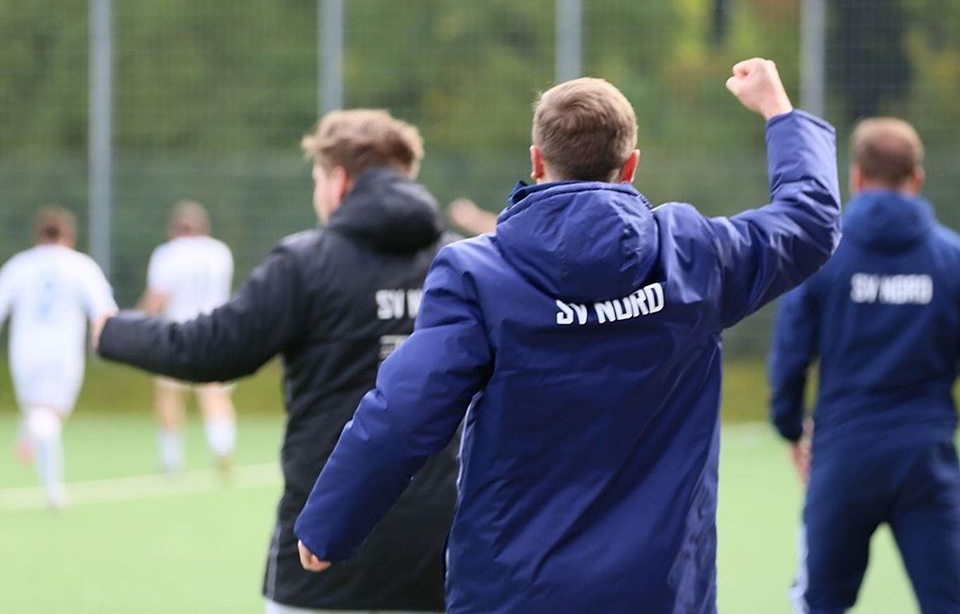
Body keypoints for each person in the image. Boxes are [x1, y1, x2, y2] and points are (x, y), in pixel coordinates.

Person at [293, 58, 842, 613]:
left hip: (515, 590)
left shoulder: (478, 273)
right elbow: (810, 221)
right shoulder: (692, 253)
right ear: (629, 166)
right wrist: (778, 111)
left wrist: (329, 523)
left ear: (537, 161)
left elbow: (404, 411)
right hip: (659, 591)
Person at [95, 109, 457, 614]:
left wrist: (111, 330)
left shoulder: (307, 263)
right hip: (442, 555)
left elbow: (210, 348)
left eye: (316, 178)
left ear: (338, 180)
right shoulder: (463, 263)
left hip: (324, 550)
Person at [768, 118, 960, 614]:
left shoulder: (823, 255)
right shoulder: (950, 259)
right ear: (916, 179)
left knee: (821, 603)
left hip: (843, 458)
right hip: (926, 462)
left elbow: (791, 354)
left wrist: (789, 425)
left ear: (854, 178)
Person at [0, 207, 117, 509]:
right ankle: (36, 442)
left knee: (38, 410)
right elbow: (103, 311)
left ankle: (49, 482)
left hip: (25, 352)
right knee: (52, 415)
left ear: (39, 234)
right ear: (69, 236)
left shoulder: (20, 265)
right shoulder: (81, 266)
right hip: (63, 353)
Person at [139, 200, 236, 473]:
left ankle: (171, 458)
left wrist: (135, 322)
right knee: (214, 393)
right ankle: (222, 448)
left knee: (170, 395)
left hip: (177, 332)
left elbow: (157, 298)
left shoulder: (168, 254)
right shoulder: (219, 252)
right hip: (214, 330)